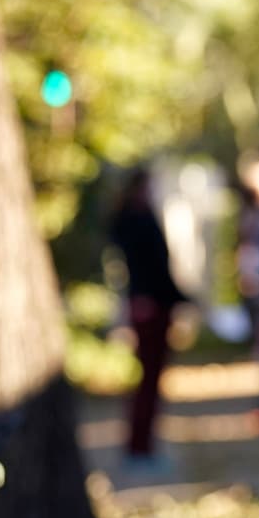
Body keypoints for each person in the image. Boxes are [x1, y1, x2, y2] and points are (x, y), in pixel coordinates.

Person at [109, 167, 187, 466]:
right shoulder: (132, 220)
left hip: (156, 303)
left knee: (152, 379)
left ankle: (143, 444)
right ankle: (139, 447)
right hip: (149, 305)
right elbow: (148, 267)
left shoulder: (138, 217)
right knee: (148, 378)